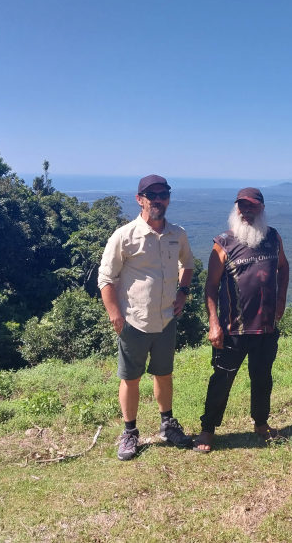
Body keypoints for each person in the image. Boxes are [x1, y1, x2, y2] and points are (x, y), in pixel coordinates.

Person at [98, 174, 195, 461]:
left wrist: (183, 293)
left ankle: (167, 424)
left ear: (168, 198)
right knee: (131, 378)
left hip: (165, 319)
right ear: (139, 199)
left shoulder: (177, 234)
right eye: (151, 195)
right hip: (134, 320)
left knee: (164, 375)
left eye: (162, 194)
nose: (157, 200)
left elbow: (187, 264)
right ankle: (129, 432)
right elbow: (106, 278)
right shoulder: (124, 236)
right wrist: (115, 315)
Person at [194, 188, 289, 453]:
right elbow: (210, 287)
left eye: (252, 207)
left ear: (262, 208)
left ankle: (261, 424)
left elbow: (283, 267)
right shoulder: (223, 243)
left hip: (266, 327)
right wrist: (213, 323)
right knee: (222, 380)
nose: (247, 212)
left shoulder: (273, 238)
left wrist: (281, 301)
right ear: (236, 209)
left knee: (262, 378)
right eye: (242, 207)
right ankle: (207, 429)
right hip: (232, 328)